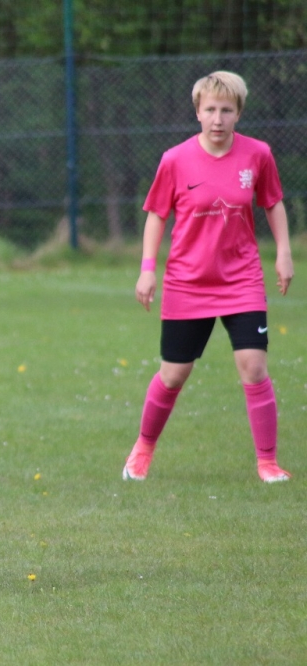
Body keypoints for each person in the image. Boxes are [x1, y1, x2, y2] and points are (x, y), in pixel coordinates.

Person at [123, 71, 294, 484]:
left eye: (227, 110)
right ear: (198, 112)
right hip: (187, 282)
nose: (218, 119)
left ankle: (268, 463)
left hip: (242, 279)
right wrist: (147, 270)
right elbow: (156, 215)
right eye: (211, 109)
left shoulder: (258, 154)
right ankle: (142, 450)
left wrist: (284, 253)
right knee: (173, 375)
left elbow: (272, 203)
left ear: (239, 114)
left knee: (254, 367)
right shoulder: (175, 159)